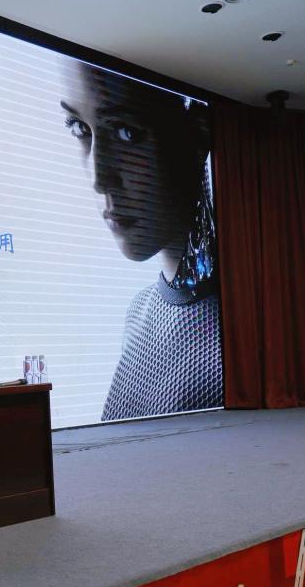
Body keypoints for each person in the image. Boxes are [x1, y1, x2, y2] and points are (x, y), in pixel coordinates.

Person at [60, 61, 223, 421]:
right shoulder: (139, 312)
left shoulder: (241, 320)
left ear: (196, 137)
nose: (99, 178)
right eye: (79, 129)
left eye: (126, 133)